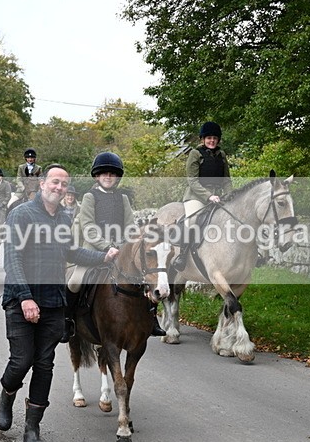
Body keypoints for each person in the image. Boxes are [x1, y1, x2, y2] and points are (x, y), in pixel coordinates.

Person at [0, 163, 119, 442]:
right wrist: (25, 298)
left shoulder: (65, 218)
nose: (59, 188)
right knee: (21, 360)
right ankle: (7, 393)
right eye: (54, 182)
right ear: (42, 184)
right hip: (20, 299)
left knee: (44, 365)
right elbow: (12, 259)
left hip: (53, 302)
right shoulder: (21, 214)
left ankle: (32, 428)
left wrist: (104, 257)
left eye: (64, 184)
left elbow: (71, 252)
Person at [66, 152, 167, 339]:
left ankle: (152, 319)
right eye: (104, 173)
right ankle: (68, 320)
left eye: (112, 174)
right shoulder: (90, 197)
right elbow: (88, 226)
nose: (108, 176)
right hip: (94, 251)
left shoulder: (123, 198)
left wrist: (127, 245)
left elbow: (130, 225)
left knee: (145, 276)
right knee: (74, 281)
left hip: (121, 251)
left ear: (117, 177)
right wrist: (106, 247)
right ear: (97, 176)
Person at [173, 121, 232, 270]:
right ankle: (183, 255)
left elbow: (226, 180)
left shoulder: (222, 155)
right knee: (192, 221)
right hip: (196, 196)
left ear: (218, 139)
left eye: (214, 138)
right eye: (209, 138)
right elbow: (192, 180)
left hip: (218, 197)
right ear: (203, 139)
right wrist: (208, 196)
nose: (212, 141)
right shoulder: (195, 154)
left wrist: (230, 196)